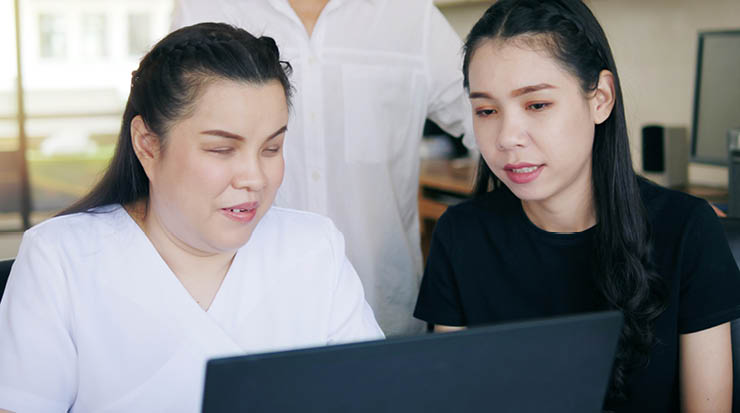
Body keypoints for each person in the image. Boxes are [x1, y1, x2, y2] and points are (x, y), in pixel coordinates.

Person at [0, 22, 383, 413]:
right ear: (148, 145)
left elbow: (378, 395)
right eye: (221, 149)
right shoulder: (60, 260)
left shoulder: (314, 247)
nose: (254, 177)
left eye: (272, 148)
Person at [413, 0, 739, 411]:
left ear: (600, 98)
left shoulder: (687, 230)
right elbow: (455, 399)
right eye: (486, 110)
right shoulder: (460, 236)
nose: (507, 137)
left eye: (537, 105)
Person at [171, 0, 474, 336]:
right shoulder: (205, 8)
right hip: (238, 317)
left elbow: (485, 118)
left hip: (382, 309)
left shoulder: (410, 14)